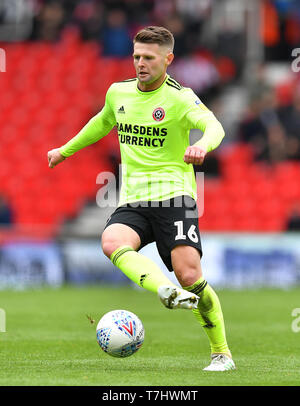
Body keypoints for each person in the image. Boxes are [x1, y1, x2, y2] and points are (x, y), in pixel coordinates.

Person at [47, 26, 235, 371]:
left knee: (190, 275)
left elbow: (214, 126)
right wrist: (65, 151)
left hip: (174, 196)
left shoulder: (180, 98)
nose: (140, 64)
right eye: (136, 56)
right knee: (111, 241)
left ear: (168, 59)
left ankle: (221, 352)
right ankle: (166, 291)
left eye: (148, 57)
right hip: (133, 198)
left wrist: (201, 145)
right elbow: (101, 123)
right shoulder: (118, 92)